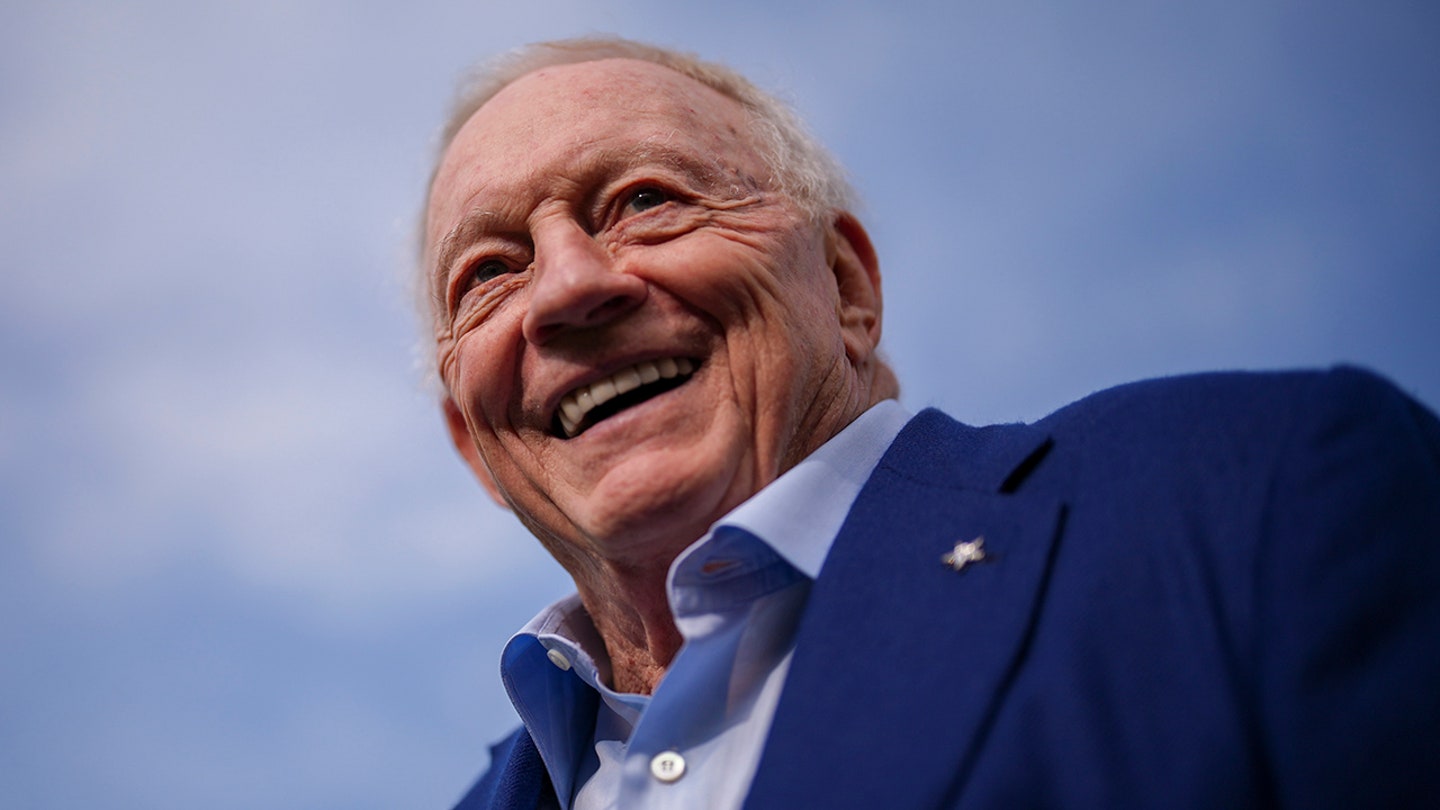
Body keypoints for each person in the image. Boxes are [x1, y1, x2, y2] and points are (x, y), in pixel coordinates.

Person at [420, 37, 1440, 810]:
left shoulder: (1258, 499)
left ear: (847, 287)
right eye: (489, 273)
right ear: (472, 442)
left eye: (644, 199)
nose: (567, 288)